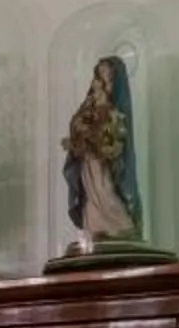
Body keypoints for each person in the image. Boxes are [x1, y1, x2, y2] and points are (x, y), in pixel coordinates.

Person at [61, 54, 145, 251]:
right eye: (101, 73)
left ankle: (120, 225)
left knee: (105, 187)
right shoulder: (91, 102)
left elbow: (116, 130)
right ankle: (96, 227)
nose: (103, 77)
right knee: (91, 191)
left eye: (108, 73)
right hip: (87, 157)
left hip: (103, 157)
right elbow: (78, 121)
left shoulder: (114, 103)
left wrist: (101, 140)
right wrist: (80, 138)